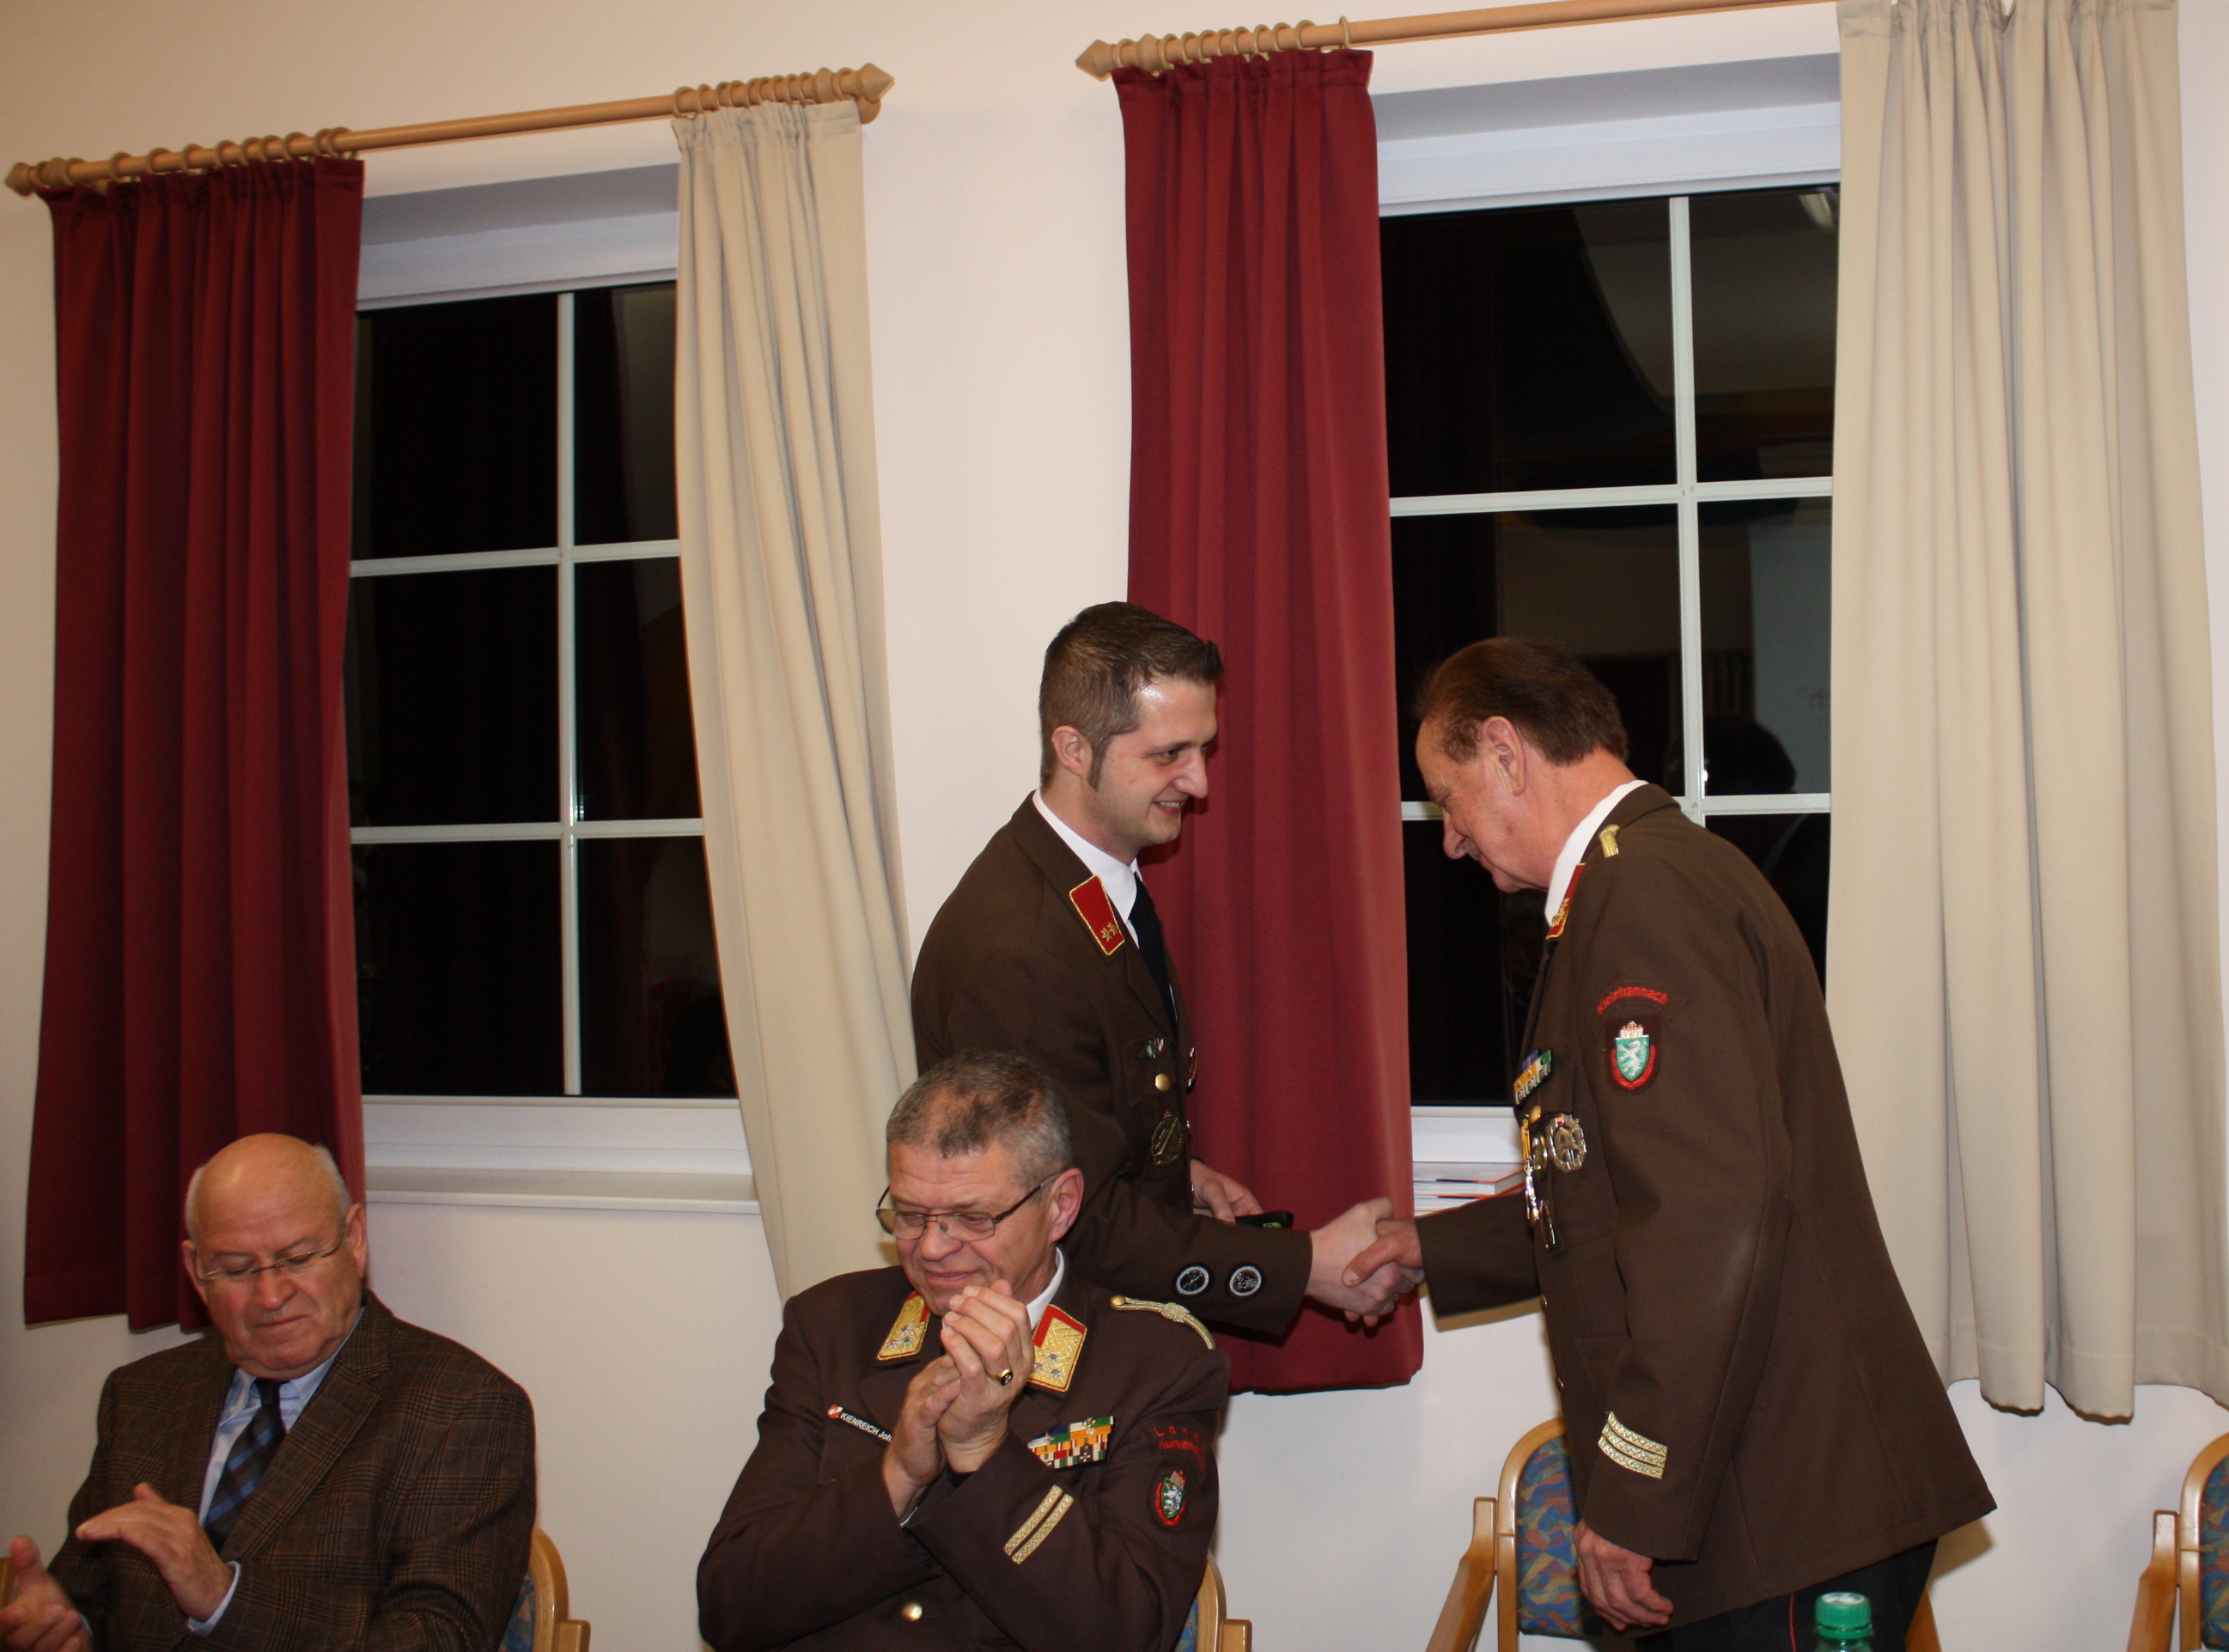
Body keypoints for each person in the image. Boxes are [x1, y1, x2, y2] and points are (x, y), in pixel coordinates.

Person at [1347, 640, 1993, 1652]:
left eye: (1449, 799)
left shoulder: (1642, 895)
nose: (1453, 840)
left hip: (1771, 1501)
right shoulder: (1634, 881)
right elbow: (1609, 1191)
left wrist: (1636, 1489)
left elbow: (1709, 1214)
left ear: (1507, 752)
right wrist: (1427, 1247)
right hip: (1757, 1490)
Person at [910, 601, 1407, 1331]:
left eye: (1203, 749)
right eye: (1168, 754)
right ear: (1074, 749)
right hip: (1049, 1350)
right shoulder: (1020, 949)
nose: (1198, 782)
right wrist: (1305, 1266)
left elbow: (1089, 1131)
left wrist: (1174, 1175)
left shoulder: (1090, 886)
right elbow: (1074, 1222)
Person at [699, 1052, 1226, 1651]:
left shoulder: (1155, 1362)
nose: (931, 1248)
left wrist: (984, 1453)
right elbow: (730, 1605)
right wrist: (899, 1474)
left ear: (1060, 1205)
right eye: (910, 1215)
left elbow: (1126, 1633)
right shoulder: (833, 1326)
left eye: (972, 1218)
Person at [1, 1135, 534, 1652]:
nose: (272, 1295)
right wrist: (68, 1630)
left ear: (354, 1240)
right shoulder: (142, 1396)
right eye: (236, 1269)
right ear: (197, 1273)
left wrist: (225, 1598)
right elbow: (92, 1602)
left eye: (298, 1258)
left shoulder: (462, 1408)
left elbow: (440, 1639)